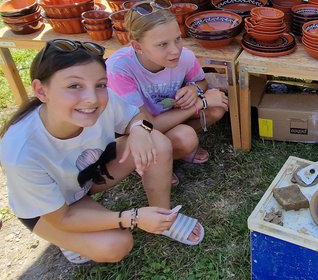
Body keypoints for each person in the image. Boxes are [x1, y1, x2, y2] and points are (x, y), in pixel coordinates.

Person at [0, 39, 205, 266]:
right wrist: (133, 217)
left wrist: (138, 129)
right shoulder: (20, 151)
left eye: (100, 84)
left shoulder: (104, 100)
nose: (92, 98)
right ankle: (68, 240)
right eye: (74, 86)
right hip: (53, 210)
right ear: (41, 90)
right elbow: (62, 217)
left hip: (87, 177)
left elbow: (136, 118)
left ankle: (162, 216)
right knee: (115, 245)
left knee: (155, 141)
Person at [106, 0, 229, 185]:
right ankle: (153, 162)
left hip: (167, 117)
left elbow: (201, 81)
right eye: (162, 44)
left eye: (177, 39)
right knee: (185, 138)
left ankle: (168, 152)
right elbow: (146, 125)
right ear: (137, 46)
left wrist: (194, 89)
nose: (175, 51)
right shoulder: (119, 68)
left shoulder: (185, 56)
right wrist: (199, 103)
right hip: (137, 131)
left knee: (217, 108)